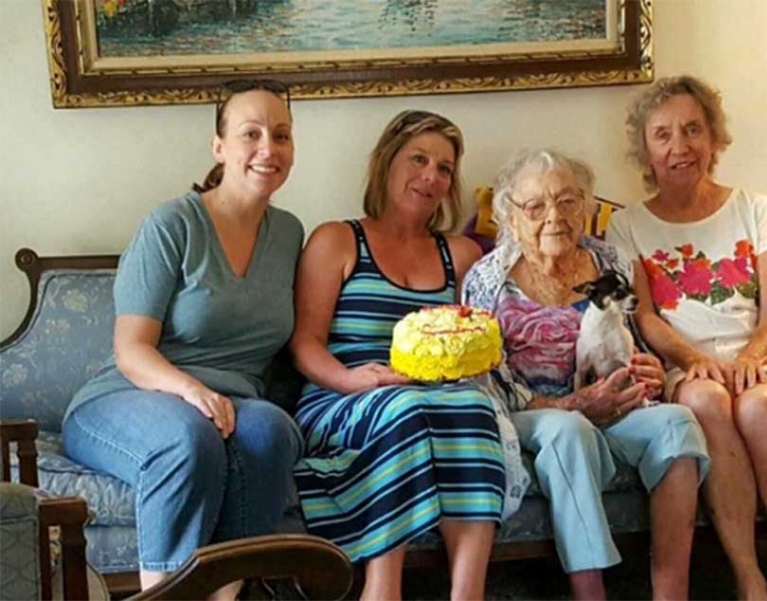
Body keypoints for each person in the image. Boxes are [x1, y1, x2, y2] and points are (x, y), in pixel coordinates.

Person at [62, 80, 304, 597]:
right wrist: (191, 391)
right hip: (130, 396)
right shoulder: (172, 223)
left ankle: (226, 595)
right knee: (187, 439)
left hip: (233, 403)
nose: (269, 148)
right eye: (251, 134)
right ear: (219, 147)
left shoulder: (289, 234)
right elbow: (132, 349)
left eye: (281, 135)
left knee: (273, 432)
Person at [607, 75, 767, 600]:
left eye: (693, 129)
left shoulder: (755, 207)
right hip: (686, 366)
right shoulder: (626, 226)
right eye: (663, 134)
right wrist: (694, 358)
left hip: (766, 355)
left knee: (757, 409)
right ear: (644, 148)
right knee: (709, 401)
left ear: (714, 139)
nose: (679, 146)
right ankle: (749, 576)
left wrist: (753, 356)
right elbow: (643, 318)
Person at [463, 149, 709, 601]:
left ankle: (671, 591)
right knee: (568, 429)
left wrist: (650, 369)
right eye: (536, 206)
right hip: (534, 414)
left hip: (614, 405)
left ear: (587, 207)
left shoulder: (610, 262)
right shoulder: (487, 279)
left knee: (677, 423)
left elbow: (633, 333)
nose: (554, 216)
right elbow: (486, 378)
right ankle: (590, 593)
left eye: (568, 201)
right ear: (511, 219)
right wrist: (569, 404)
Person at [290, 110, 511, 601]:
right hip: (340, 394)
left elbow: (480, 337)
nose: (431, 176)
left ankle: (467, 592)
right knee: (403, 408)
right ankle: (381, 587)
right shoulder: (337, 240)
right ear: (387, 163)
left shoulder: (461, 255)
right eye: (418, 159)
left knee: (474, 408)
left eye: (445, 168)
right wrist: (354, 381)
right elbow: (305, 343)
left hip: (440, 394)